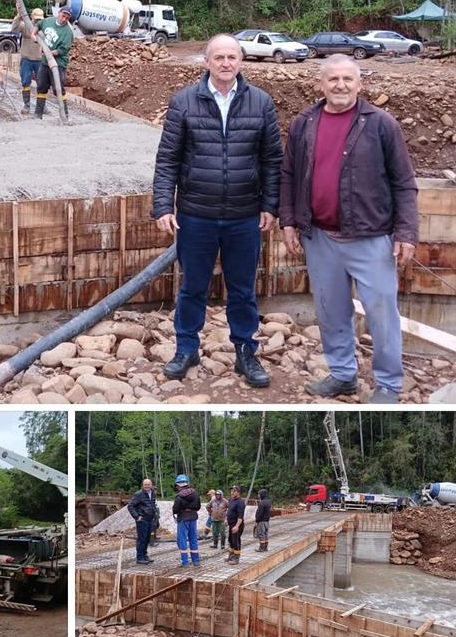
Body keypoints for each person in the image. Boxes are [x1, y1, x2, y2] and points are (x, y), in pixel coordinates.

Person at [279, 54, 418, 404]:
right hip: (320, 236)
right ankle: (343, 375)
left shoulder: (381, 124)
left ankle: (388, 384)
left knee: (382, 313)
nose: (340, 85)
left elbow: (403, 182)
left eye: (347, 79)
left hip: (370, 238)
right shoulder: (304, 123)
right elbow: (289, 176)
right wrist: (289, 221)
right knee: (330, 310)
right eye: (333, 79)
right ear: (320, 84)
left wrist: (405, 233)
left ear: (360, 83)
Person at [152, 33, 283, 387]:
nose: (226, 63)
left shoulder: (261, 103)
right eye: (219, 57)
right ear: (206, 62)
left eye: (232, 57)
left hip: (244, 215)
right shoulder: (184, 102)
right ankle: (186, 349)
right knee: (192, 287)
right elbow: (167, 159)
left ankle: (245, 351)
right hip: (196, 215)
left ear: (241, 61)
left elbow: (272, 159)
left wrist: (271, 204)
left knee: (242, 289)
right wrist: (164, 204)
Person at [32, 6, 74, 120]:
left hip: (58, 64)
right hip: (45, 62)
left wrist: (48, 52)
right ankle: (38, 114)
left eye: (67, 17)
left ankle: (64, 115)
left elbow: (63, 50)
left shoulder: (67, 32)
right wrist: (33, 34)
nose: (64, 19)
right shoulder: (49, 21)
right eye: (63, 15)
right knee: (41, 86)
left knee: (58, 88)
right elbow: (38, 25)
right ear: (59, 13)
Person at [11, 4, 45, 114]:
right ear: (32, 17)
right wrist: (18, 16)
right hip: (27, 59)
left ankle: (42, 106)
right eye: (36, 19)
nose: (37, 21)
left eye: (40, 19)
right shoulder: (25, 26)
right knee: (26, 82)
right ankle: (27, 105)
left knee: (42, 83)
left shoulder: (44, 28)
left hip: (40, 60)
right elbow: (14, 29)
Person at [172, 474, 201, 567]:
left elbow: (175, 510)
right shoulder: (195, 493)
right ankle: (196, 560)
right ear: (187, 483)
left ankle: (185, 562)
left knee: (182, 539)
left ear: (178, 484)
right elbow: (198, 506)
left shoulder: (179, 496)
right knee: (193, 539)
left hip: (183, 519)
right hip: (193, 517)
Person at [127, 479, 156, 565]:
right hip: (142, 520)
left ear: (151, 485)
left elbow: (153, 504)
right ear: (142, 485)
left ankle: (145, 555)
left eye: (148, 484)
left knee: (147, 538)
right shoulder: (139, 494)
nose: (147, 486)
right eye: (145, 485)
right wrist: (136, 516)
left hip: (150, 519)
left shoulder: (153, 493)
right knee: (141, 539)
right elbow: (130, 506)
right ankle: (140, 557)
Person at [226, 485, 245, 565]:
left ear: (238, 492)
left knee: (236, 541)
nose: (232, 492)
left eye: (234, 491)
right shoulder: (230, 500)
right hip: (231, 524)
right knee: (230, 540)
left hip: (237, 525)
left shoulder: (240, 502)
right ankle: (231, 556)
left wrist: (237, 526)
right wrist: (226, 520)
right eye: (231, 491)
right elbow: (229, 511)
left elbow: (240, 516)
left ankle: (236, 558)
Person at [255, 488, 271, 552]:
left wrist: (257, 520)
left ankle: (261, 548)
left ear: (262, 494)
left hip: (262, 522)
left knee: (261, 534)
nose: (258, 495)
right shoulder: (268, 502)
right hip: (267, 521)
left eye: (259, 494)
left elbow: (260, 513)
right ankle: (265, 547)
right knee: (266, 534)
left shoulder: (262, 503)